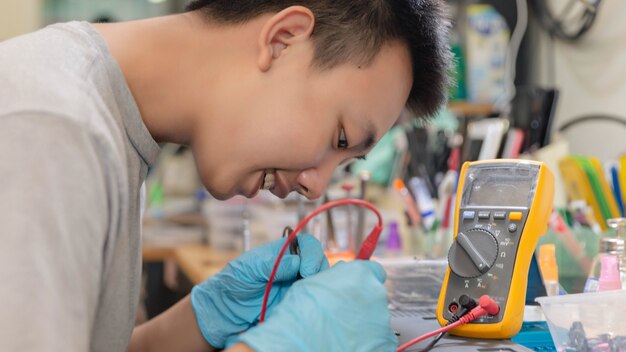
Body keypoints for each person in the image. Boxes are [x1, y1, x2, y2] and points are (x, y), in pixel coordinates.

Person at [0, 0, 451, 351]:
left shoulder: (105, 125)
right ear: (283, 40)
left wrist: (200, 320)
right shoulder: (52, 129)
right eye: (339, 138)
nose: (316, 187)